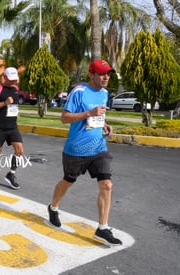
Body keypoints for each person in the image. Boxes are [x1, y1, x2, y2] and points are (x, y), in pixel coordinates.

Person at [47, 60, 123, 247]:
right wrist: (88, 113)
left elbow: (98, 115)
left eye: (108, 74)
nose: (106, 77)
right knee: (68, 181)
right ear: (92, 75)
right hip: (76, 149)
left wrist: (104, 124)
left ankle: (103, 228)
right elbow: (64, 118)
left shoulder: (105, 93)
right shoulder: (79, 92)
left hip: (98, 147)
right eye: (102, 74)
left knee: (106, 184)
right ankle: (53, 206)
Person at [0, 67, 23, 190]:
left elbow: (14, 105)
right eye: (12, 79)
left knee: (19, 151)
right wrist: (4, 103)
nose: (14, 81)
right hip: (0, 126)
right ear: (6, 77)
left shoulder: (15, 89)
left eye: (15, 79)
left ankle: (11, 175)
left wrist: (16, 111)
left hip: (12, 126)